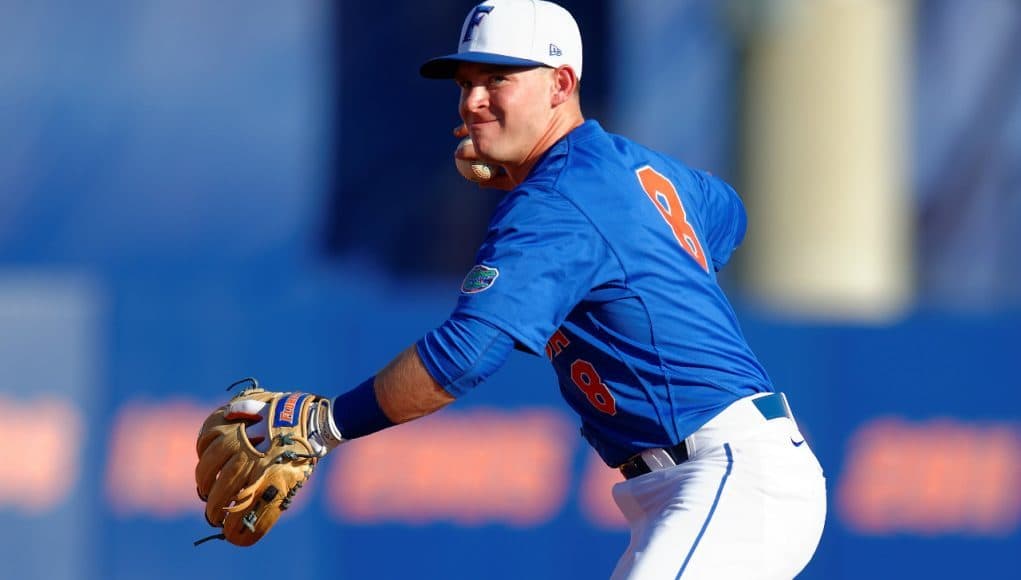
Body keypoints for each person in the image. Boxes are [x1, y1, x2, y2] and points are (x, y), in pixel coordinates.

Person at [330, 1, 826, 577]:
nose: (472, 101)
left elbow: (463, 356)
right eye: (466, 83)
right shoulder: (625, 168)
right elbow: (726, 211)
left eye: (498, 79)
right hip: (702, 482)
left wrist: (329, 424)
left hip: (729, 476)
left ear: (561, 83)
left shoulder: (558, 201)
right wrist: (663, 274)